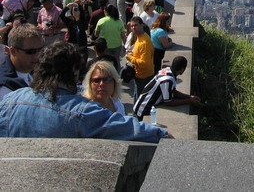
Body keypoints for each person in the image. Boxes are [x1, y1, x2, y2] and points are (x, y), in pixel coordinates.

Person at [0, 41, 170, 141]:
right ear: (74, 72)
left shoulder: (10, 101)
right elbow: (125, 128)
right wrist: (162, 134)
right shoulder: (81, 112)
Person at [133, 56, 200, 121]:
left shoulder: (168, 71)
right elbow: (169, 102)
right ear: (182, 69)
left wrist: (189, 97)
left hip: (142, 107)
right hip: (143, 111)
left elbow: (173, 92)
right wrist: (189, 101)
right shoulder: (167, 80)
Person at [0, 23, 44, 99]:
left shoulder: (34, 69)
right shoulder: (5, 88)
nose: (38, 55)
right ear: (13, 51)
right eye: (30, 51)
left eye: (40, 50)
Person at [126, 16, 155, 102]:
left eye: (136, 25)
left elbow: (144, 63)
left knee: (140, 101)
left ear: (142, 25)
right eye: (131, 26)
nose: (133, 28)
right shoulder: (140, 37)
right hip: (140, 75)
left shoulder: (144, 43)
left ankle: (138, 115)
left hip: (143, 77)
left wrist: (130, 58)